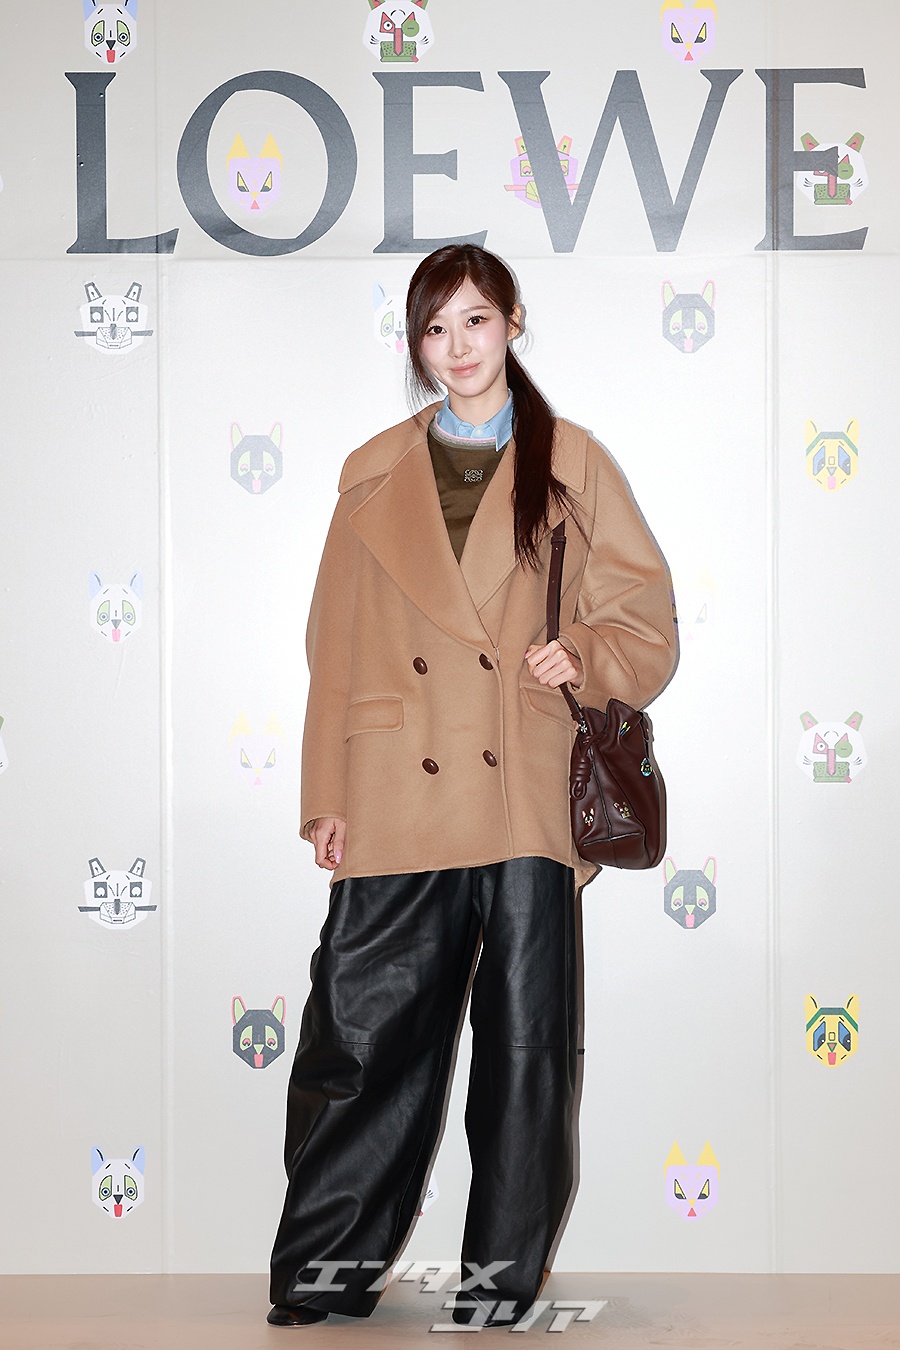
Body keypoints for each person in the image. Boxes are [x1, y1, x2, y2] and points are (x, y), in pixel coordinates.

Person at [266, 244, 676, 1329]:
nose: (456, 346)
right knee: (360, 1043)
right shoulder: (371, 473)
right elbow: (332, 646)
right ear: (416, 344)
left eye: (476, 320)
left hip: (521, 781)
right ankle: (324, 1271)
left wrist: (584, 655)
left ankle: (499, 1285)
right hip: (395, 784)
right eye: (435, 327)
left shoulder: (572, 461)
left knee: (525, 1053)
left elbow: (645, 620)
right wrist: (326, 794)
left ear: (514, 323)